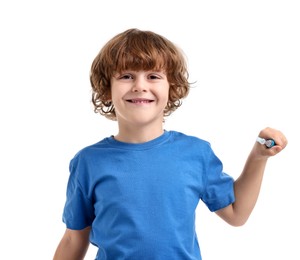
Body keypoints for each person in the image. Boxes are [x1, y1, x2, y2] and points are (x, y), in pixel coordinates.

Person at [53, 28, 287, 260]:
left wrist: (258, 157)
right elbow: (74, 238)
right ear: (106, 89)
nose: (139, 86)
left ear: (172, 87)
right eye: (126, 76)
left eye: (153, 76)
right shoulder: (88, 162)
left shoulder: (196, 153)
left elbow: (236, 214)